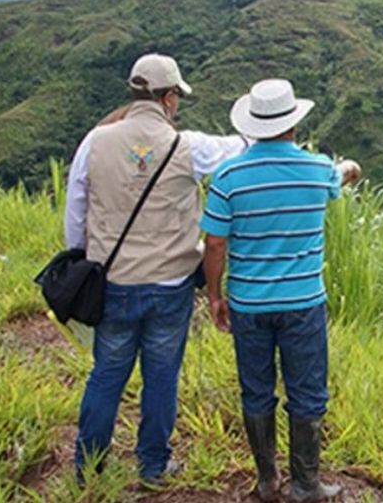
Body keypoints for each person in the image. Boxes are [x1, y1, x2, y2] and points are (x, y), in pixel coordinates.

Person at [64, 53, 249, 487]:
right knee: (161, 376)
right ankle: (152, 464)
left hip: (113, 282)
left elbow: (76, 213)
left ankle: (87, 468)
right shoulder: (190, 146)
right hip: (171, 283)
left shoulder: (94, 142)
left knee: (107, 375)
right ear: (168, 98)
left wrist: (83, 261)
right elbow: (240, 149)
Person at [200, 78, 361, 502]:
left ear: (252, 126)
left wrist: (215, 296)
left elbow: (215, 243)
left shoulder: (228, 176)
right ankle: (306, 486)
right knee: (307, 391)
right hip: (303, 304)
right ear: (293, 125)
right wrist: (349, 168)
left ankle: (267, 481)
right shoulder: (316, 169)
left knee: (256, 390)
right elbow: (342, 175)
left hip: (249, 303)